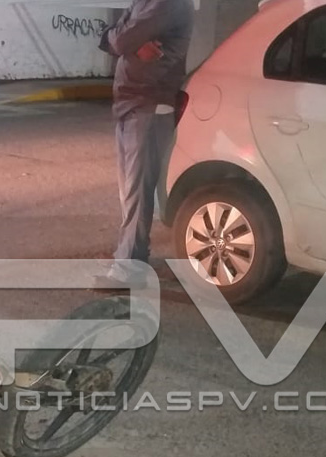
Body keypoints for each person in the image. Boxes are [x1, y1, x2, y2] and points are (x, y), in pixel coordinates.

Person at [94, 0, 195, 288]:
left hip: (149, 103)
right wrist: (120, 39)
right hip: (131, 102)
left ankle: (129, 268)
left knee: (137, 192)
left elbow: (121, 39)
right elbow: (115, 35)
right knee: (130, 191)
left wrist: (122, 40)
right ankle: (132, 255)